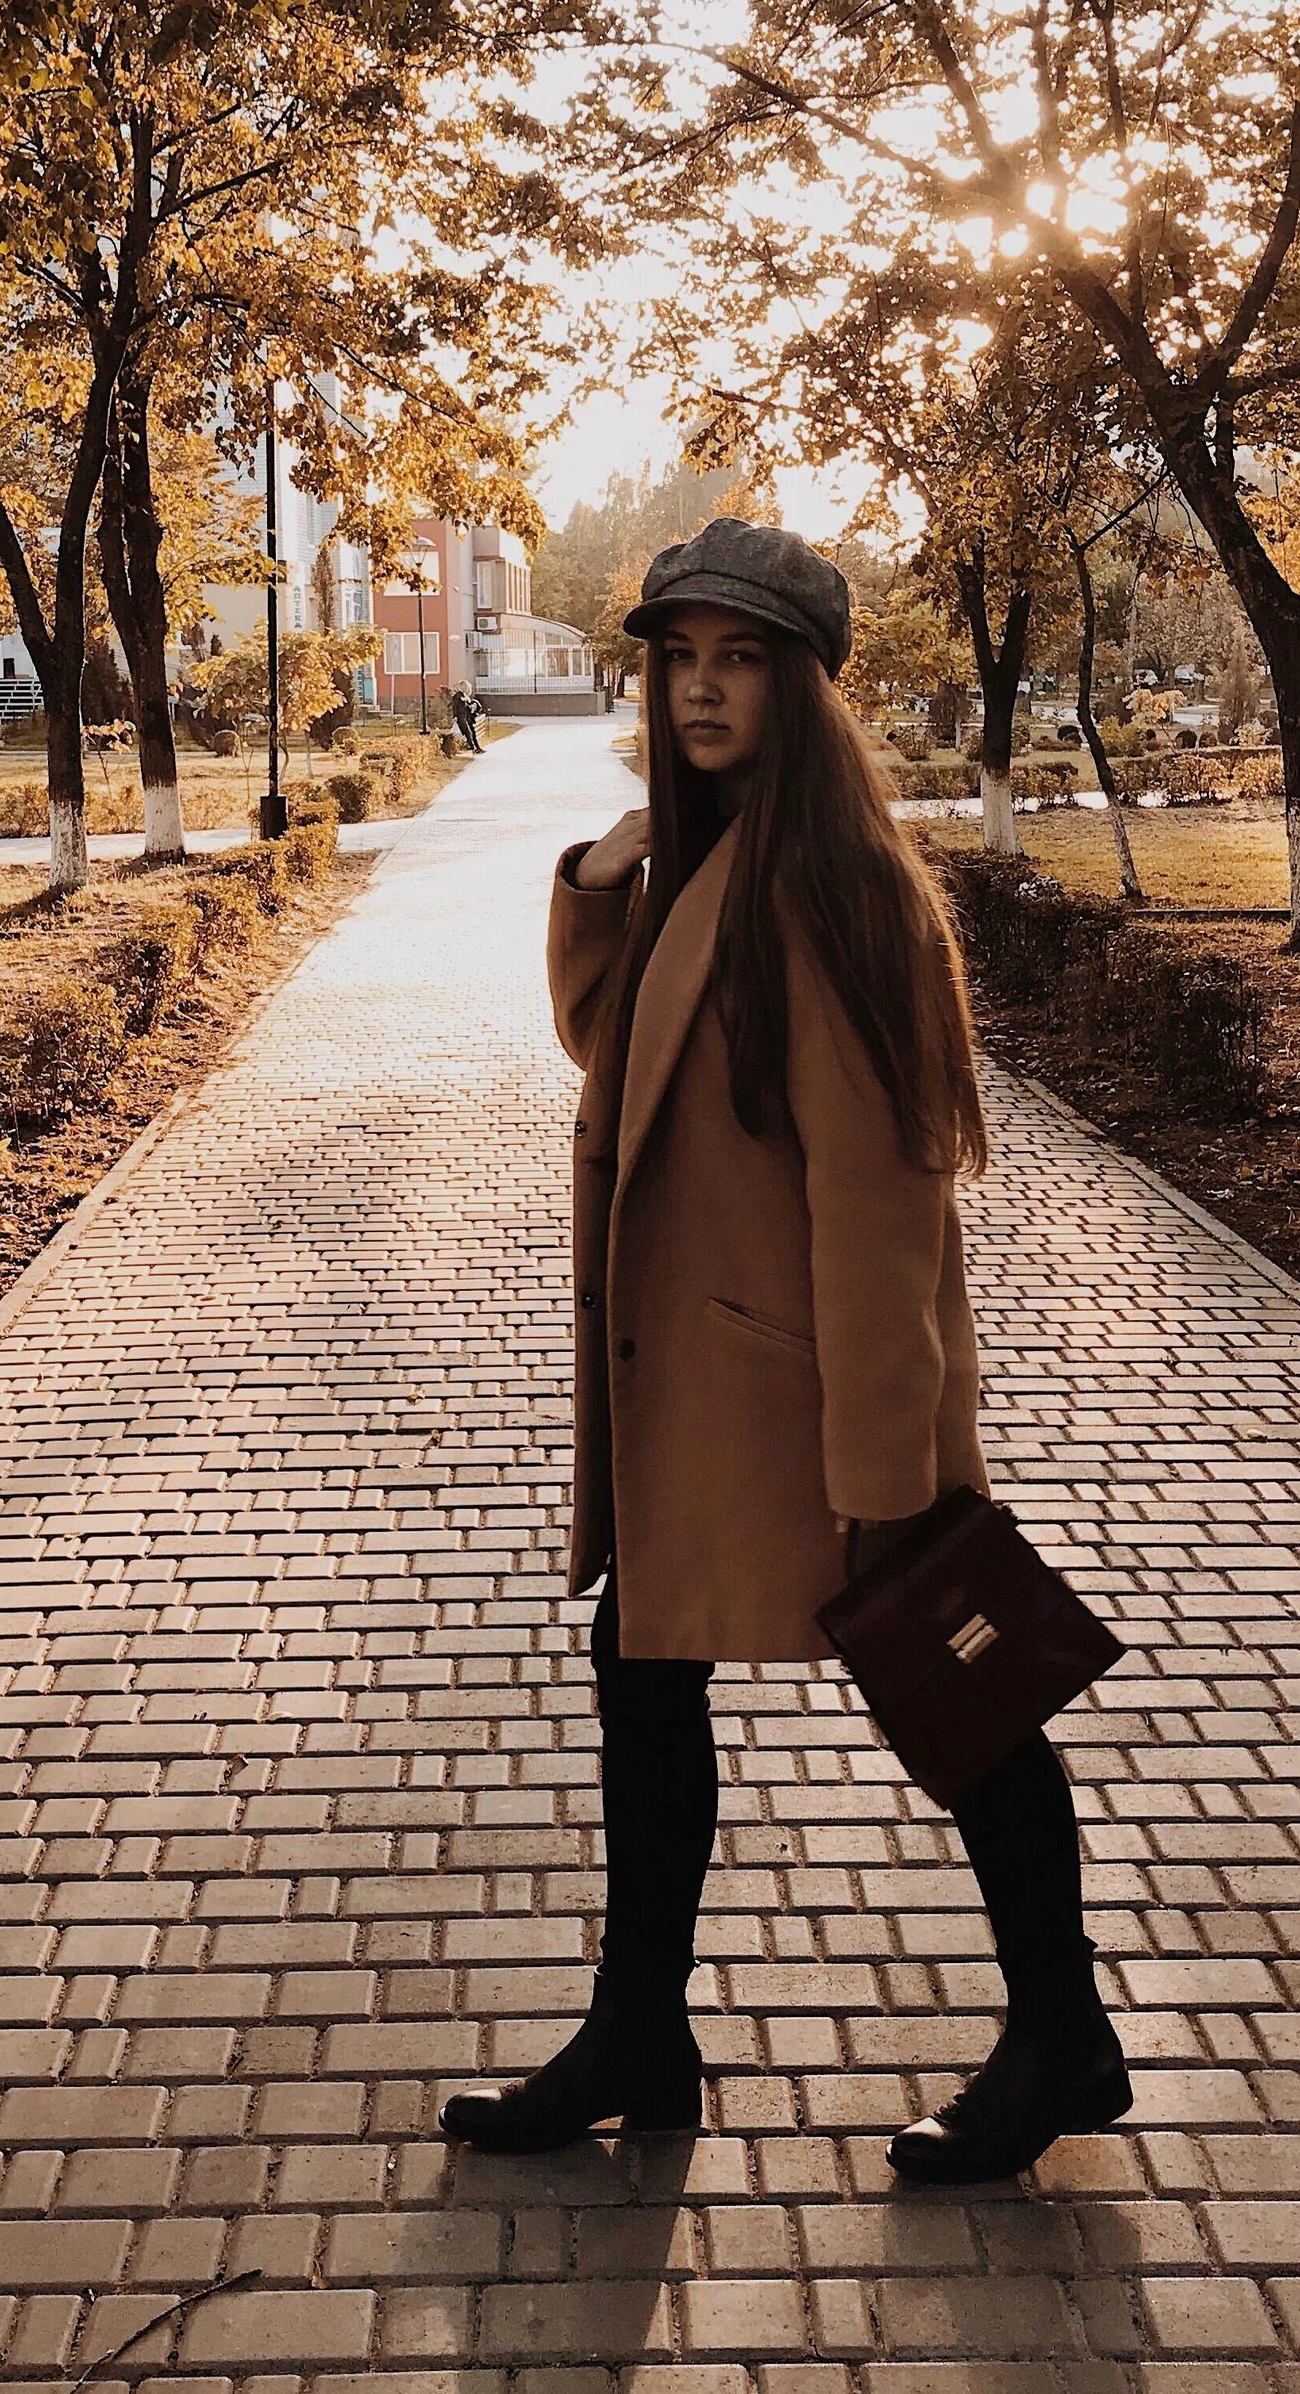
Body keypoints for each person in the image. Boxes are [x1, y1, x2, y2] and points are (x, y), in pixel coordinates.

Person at [438, 515, 1129, 2184]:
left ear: (806, 689)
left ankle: (1058, 2039)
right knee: (649, 1681)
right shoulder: (715, 867)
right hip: (700, 1398)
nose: (699, 690)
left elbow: (885, 1205)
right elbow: (627, 1056)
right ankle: (642, 2030)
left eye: (739, 661)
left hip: (797, 1398)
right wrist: (601, 885)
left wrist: (887, 1470)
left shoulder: (827, 895)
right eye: (678, 659)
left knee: (960, 1691)